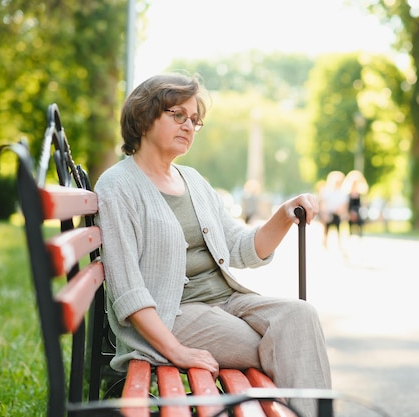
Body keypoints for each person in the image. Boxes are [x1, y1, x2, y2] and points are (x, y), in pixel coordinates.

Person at [94, 72, 331, 417]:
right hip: (172, 313)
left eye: (194, 120)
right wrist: (176, 351)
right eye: (177, 115)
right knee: (287, 345)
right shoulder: (117, 187)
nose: (188, 125)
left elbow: (240, 248)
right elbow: (128, 291)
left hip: (225, 300)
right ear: (144, 116)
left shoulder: (193, 180)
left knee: (300, 316)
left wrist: (282, 216)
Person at [318, 170, 348, 248]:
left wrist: (339, 211)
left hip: (337, 214)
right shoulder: (326, 191)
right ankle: (325, 243)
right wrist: (325, 214)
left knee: (338, 230)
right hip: (328, 213)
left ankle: (339, 244)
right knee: (326, 231)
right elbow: (323, 203)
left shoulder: (343, 193)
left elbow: (344, 205)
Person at [343, 170, 369, 238]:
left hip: (358, 211)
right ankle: (350, 235)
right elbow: (347, 205)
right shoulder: (347, 194)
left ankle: (359, 234)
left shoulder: (361, 194)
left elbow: (363, 204)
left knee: (360, 221)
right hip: (350, 212)